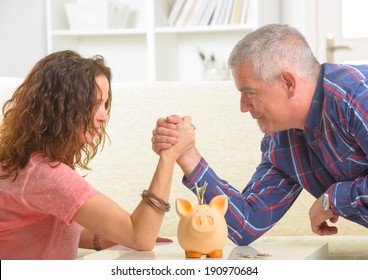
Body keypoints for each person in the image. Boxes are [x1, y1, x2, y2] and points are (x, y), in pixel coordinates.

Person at [151, 23, 368, 246]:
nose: (243, 106)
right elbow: (247, 225)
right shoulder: (283, 140)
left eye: (249, 92)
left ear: (288, 83)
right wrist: (187, 155)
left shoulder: (356, 97)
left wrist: (332, 199)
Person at [0, 50, 195, 259]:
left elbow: (42, 228)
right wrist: (170, 155)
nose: (103, 116)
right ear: (61, 105)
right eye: (94, 104)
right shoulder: (44, 173)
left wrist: (110, 236)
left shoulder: (23, 162)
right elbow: (141, 237)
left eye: (104, 104)